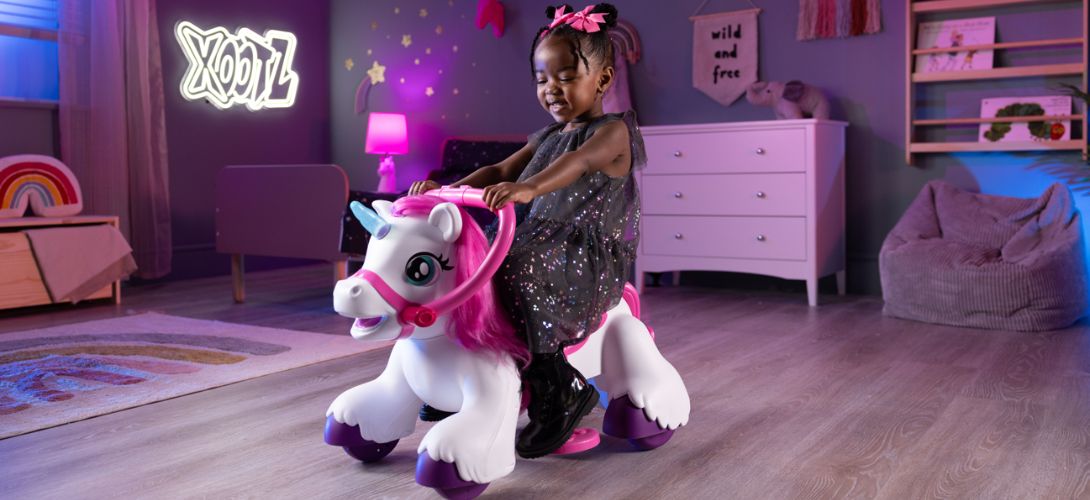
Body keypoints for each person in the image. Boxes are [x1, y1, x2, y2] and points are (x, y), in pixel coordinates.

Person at [409, 2, 644, 459]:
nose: (551, 89)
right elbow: (499, 166)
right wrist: (445, 191)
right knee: (473, 262)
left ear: (603, 79)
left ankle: (558, 385)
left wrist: (526, 188)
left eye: (566, 77)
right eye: (542, 79)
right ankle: (468, 374)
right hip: (538, 236)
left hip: (584, 251)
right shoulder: (546, 136)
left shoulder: (613, 133)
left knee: (518, 268)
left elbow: (576, 165)